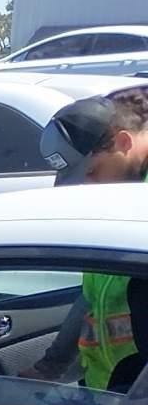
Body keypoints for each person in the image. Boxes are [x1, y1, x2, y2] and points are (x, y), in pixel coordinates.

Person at [34, 89, 148, 389]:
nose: (88, 186)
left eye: (93, 172)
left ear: (124, 142)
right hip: (110, 395)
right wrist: (51, 366)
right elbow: (91, 296)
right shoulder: (117, 199)